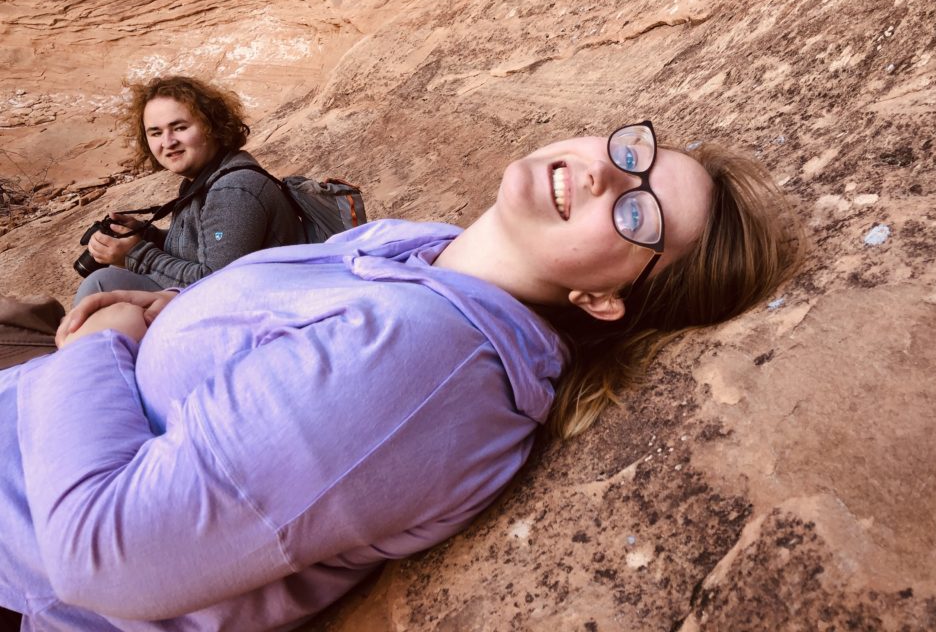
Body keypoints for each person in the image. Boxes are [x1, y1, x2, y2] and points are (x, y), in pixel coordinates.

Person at [0, 121, 803, 630]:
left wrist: (102, 338)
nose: (607, 175)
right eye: (637, 153)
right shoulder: (423, 249)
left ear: (602, 300)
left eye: (639, 215)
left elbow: (101, 554)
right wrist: (174, 306)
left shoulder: (423, 369)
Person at [72, 75, 303, 306]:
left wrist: (136, 254)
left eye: (179, 127)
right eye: (155, 133)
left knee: (103, 283)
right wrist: (146, 236)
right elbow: (207, 245)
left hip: (262, 306)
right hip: (242, 300)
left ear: (212, 126)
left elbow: (217, 281)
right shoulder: (206, 179)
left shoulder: (233, 190)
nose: (168, 142)